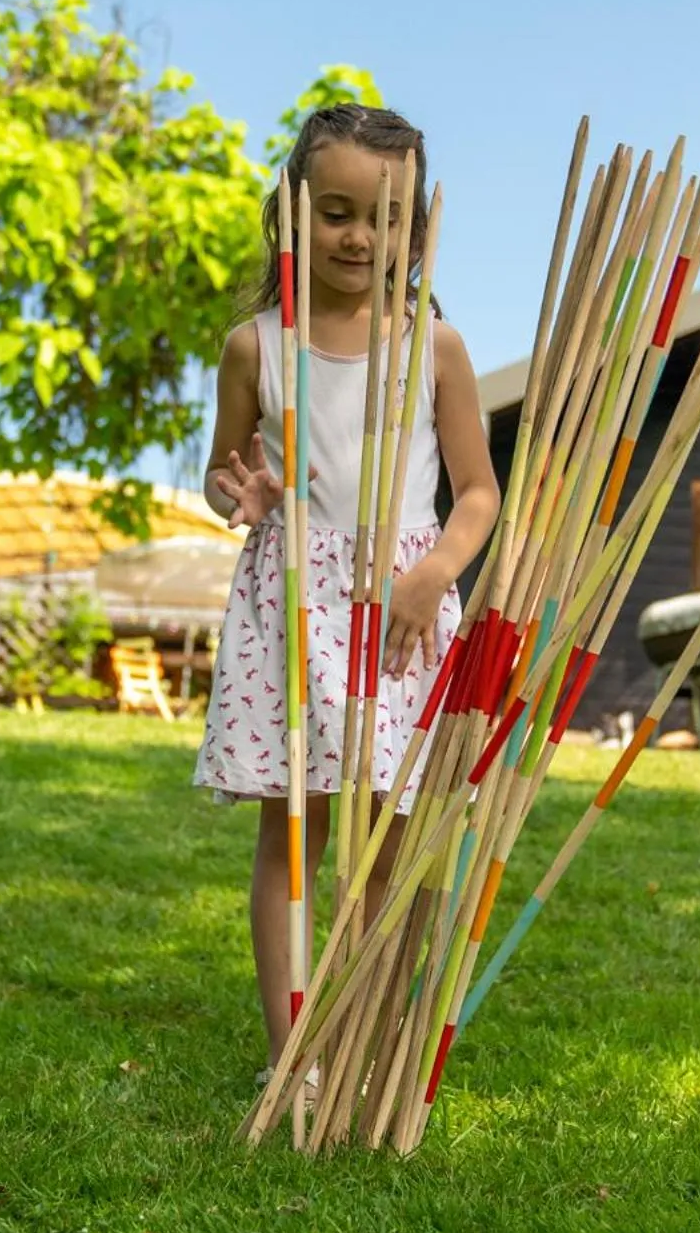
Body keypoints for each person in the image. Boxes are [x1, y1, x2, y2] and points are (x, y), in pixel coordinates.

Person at [195, 104, 500, 1077]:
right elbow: (221, 473)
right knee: (295, 836)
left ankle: (366, 1036)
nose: (360, 236)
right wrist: (240, 493)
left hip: (399, 612)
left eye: (387, 218)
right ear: (291, 213)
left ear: (418, 231)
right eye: (336, 211)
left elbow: (479, 493)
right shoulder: (257, 349)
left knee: (387, 842)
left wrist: (434, 575)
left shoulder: (435, 349)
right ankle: (295, 1055)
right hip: (292, 600)